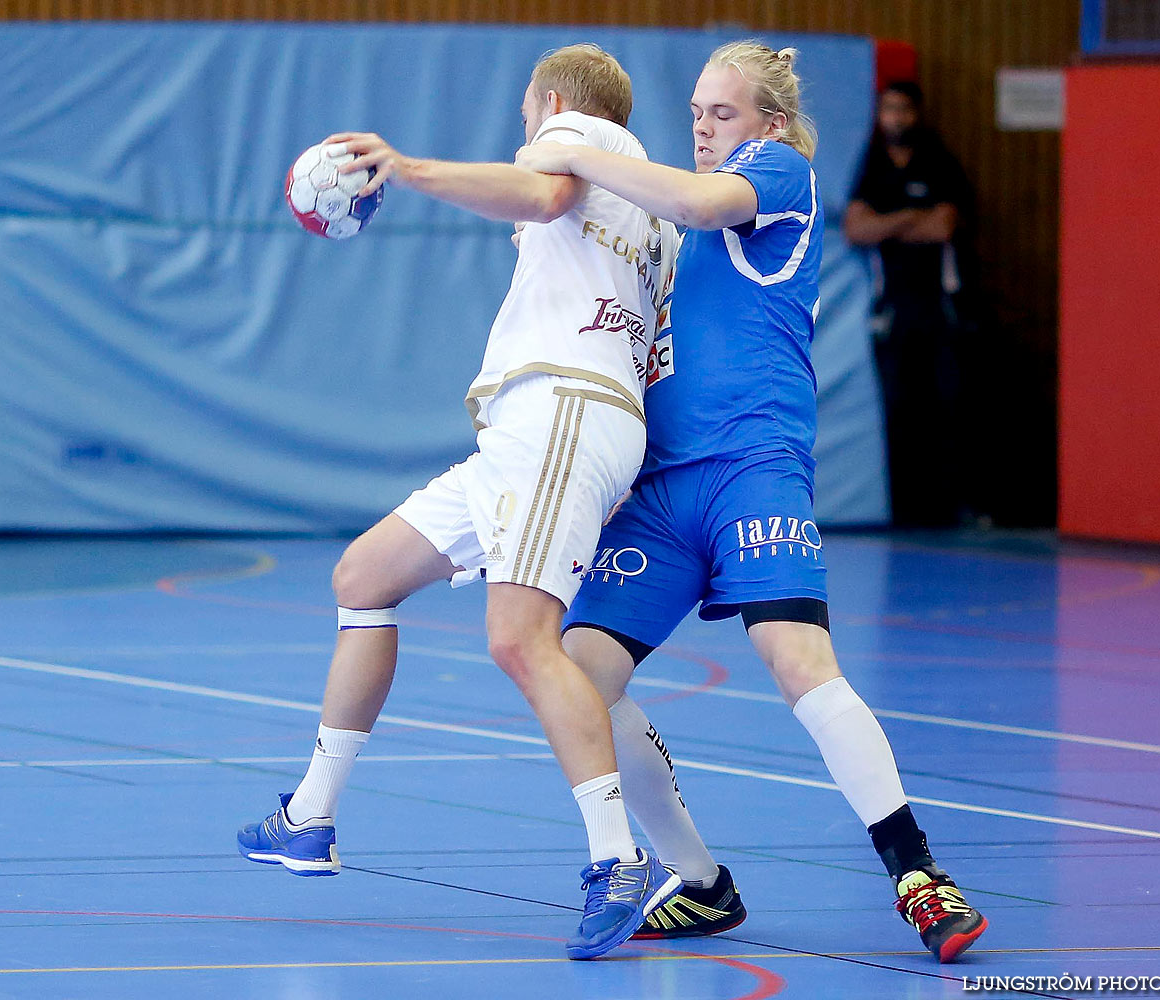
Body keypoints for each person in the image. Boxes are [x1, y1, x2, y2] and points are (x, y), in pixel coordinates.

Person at [515, 42, 988, 962]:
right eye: (694, 112)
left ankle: (917, 874)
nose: (701, 127)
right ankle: (698, 882)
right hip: (659, 488)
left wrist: (568, 144)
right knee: (578, 672)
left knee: (796, 658)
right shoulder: (670, 240)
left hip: (751, 467)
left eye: (720, 113)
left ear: (768, 124)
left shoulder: (777, 173)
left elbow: (694, 198)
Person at [235, 44, 681, 961]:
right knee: (363, 576)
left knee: (520, 640)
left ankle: (618, 861)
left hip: (560, 412)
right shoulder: (654, 209)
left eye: (526, 119)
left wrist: (405, 168)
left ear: (550, 103)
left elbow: (545, 194)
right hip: (536, 425)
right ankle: (309, 815)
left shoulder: (575, 136)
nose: (528, 136)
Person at [844, 81, 975, 528]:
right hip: (892, 309)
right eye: (888, 110)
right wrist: (906, 218)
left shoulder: (939, 162)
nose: (896, 118)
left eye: (904, 109)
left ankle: (949, 508)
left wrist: (889, 222)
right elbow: (857, 229)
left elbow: (941, 228)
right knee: (898, 406)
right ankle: (903, 510)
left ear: (918, 113)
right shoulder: (873, 165)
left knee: (946, 402)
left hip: (940, 307)